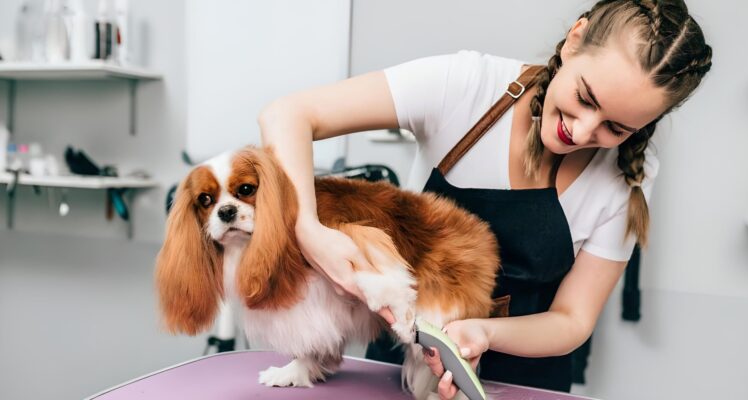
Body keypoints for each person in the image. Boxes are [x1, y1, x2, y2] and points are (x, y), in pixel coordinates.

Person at [258, 0, 711, 397]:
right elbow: (288, 115)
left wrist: (481, 333)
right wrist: (310, 233)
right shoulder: (465, 86)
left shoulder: (633, 171)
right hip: (400, 366)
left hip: (528, 380)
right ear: (575, 39)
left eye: (617, 128)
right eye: (585, 98)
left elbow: (573, 319)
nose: (583, 131)